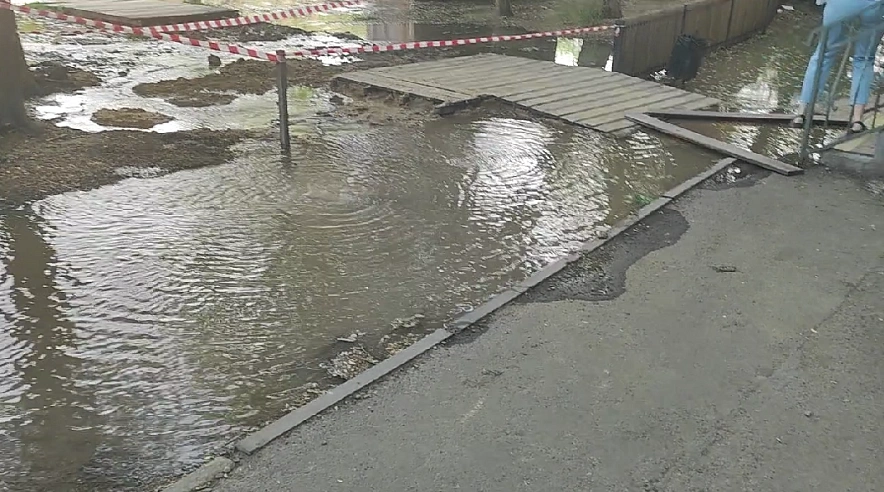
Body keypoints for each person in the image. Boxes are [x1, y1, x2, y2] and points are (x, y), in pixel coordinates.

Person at [792, 0, 884, 133]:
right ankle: (857, 120)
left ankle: (802, 113)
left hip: (838, 5)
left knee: (823, 55)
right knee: (864, 59)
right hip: (872, 6)